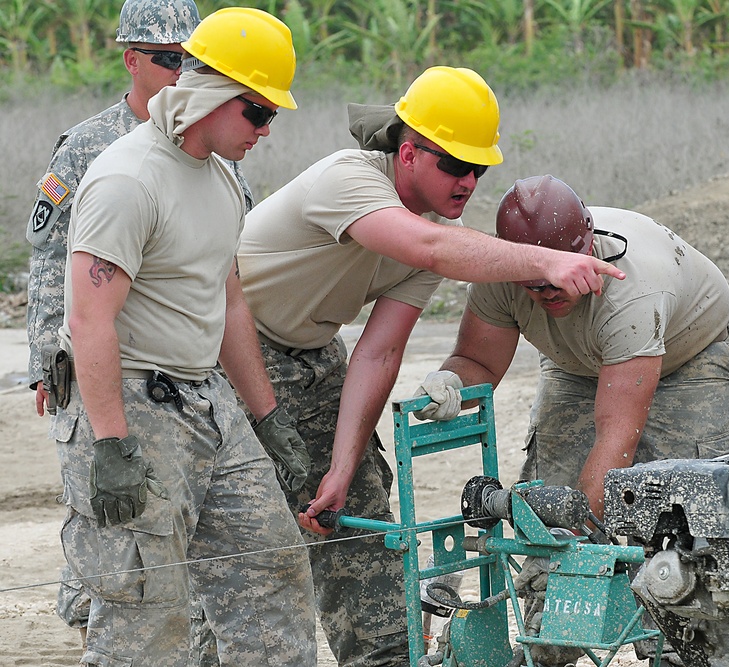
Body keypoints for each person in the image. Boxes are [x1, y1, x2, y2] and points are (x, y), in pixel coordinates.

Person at [235, 67, 625, 665]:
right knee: (245, 533)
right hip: (228, 353)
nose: (467, 181)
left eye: (479, 170)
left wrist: (344, 462)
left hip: (314, 357)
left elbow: (380, 350)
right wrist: (544, 259)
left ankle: (385, 656)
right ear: (409, 152)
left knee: (355, 509)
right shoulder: (349, 177)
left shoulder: (431, 232)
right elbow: (431, 249)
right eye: (453, 165)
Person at [50, 7, 316, 666]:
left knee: (272, 568)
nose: (266, 130)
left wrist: (269, 415)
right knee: (148, 611)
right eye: (258, 113)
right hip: (133, 404)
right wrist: (111, 444)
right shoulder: (127, 179)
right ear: (214, 93)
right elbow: (89, 319)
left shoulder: (222, 173)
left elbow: (226, 298)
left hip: (208, 402)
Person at [413, 174, 729, 666]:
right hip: (577, 362)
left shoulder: (629, 293)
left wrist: (572, 540)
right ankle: (550, 640)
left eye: (555, 280)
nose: (544, 293)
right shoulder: (503, 277)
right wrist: (451, 384)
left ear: (587, 247)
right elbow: (479, 362)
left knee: (687, 506)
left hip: (685, 359)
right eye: (532, 282)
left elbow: (616, 439)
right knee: (552, 490)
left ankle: (682, 646)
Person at [22, 0, 250, 655]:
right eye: (169, 59)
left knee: (182, 525)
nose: (184, 72)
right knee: (110, 520)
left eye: (196, 60)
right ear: (132, 61)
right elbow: (49, 255)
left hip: (183, 370)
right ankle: (97, 619)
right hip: (101, 359)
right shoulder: (91, 144)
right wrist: (46, 357)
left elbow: (225, 263)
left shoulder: (218, 138)